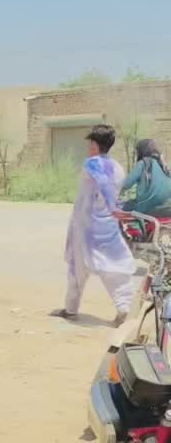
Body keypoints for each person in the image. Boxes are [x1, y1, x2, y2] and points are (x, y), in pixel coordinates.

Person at [53, 125, 135, 326]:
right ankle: (124, 309)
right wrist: (114, 209)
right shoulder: (118, 167)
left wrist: (112, 207)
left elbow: (104, 183)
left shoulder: (93, 163)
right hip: (108, 227)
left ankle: (71, 309)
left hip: (87, 228)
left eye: (90, 143)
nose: (89, 147)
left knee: (77, 270)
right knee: (113, 269)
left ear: (95, 145)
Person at [119, 138, 171, 217]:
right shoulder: (162, 164)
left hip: (147, 207)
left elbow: (126, 184)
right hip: (167, 206)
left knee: (123, 207)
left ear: (141, 151)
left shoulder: (142, 164)